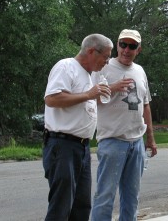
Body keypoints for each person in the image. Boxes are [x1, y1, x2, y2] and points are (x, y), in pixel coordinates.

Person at [42, 33, 113, 221]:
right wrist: (88, 95)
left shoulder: (90, 76)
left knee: (81, 206)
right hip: (63, 145)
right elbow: (52, 99)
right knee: (61, 205)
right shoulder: (66, 67)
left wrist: (95, 96)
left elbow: (83, 103)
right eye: (105, 57)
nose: (106, 62)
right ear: (91, 51)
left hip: (82, 147)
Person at [91, 29, 158, 221]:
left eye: (132, 46)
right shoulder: (104, 68)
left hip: (136, 142)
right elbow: (88, 99)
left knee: (131, 197)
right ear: (117, 45)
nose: (126, 50)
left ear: (139, 49)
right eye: (123, 45)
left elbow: (145, 105)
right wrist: (112, 88)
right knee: (105, 196)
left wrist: (150, 139)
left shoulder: (140, 71)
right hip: (112, 141)